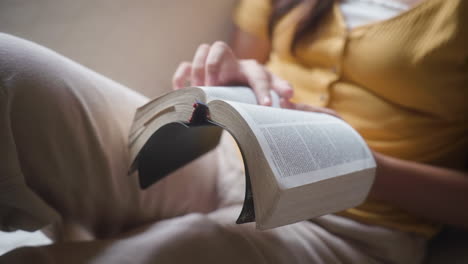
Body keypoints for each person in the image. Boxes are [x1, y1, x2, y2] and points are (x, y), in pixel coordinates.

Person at [0, 0, 466, 263]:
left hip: (353, 225)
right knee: (12, 67)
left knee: (164, 253)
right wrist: (230, 78)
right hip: (223, 156)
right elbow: (253, 62)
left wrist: (370, 166)